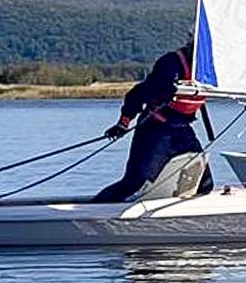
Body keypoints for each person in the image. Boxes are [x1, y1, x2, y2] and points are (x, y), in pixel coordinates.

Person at [92, 44, 214, 202]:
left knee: (205, 184)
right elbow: (138, 93)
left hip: (183, 132)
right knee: (135, 184)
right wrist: (124, 122)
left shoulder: (210, 70)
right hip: (155, 130)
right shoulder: (171, 63)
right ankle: (91, 210)